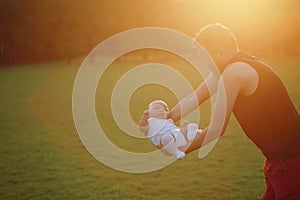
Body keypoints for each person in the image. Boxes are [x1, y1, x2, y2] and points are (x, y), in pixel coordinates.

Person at [168, 23, 300, 199]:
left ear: (221, 52)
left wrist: (181, 148)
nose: (202, 62)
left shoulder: (235, 72)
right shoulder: (230, 67)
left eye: (204, 56)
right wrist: (164, 119)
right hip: (278, 161)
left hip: (291, 162)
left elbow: (217, 129)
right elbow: (195, 98)